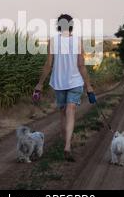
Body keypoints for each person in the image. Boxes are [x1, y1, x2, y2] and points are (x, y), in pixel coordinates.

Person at [34, 14, 94, 162]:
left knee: (64, 112)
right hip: (74, 81)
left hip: (59, 82)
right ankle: (67, 145)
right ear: (71, 25)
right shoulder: (77, 41)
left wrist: (40, 84)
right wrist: (89, 87)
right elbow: (81, 66)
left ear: (59, 26)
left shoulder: (53, 41)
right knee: (70, 111)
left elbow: (48, 65)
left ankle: (66, 145)